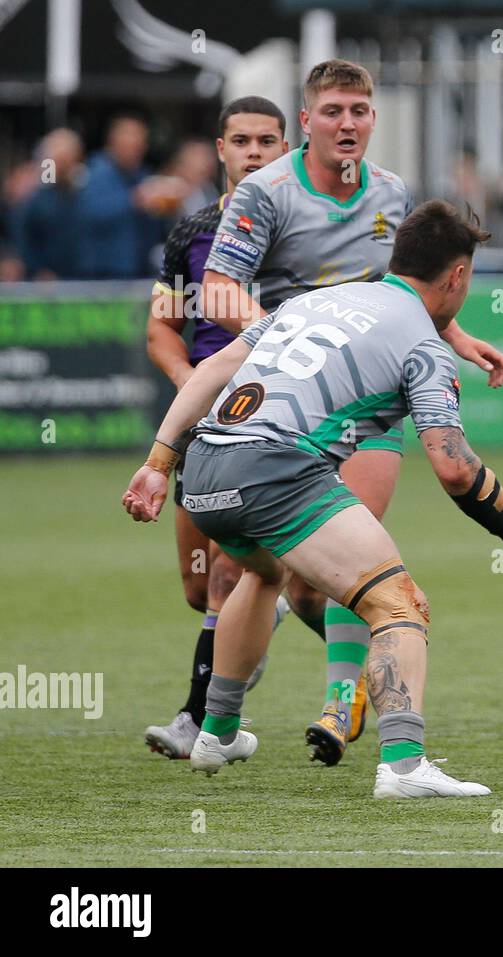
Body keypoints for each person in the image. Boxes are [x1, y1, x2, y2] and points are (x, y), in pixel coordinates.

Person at [123, 199, 503, 798]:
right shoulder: (423, 343)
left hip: (206, 465)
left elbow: (211, 367)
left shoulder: (309, 302)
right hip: (274, 468)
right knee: (400, 605)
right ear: (457, 277)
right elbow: (454, 468)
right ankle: (404, 767)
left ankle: (217, 731)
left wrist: (158, 463)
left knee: (263, 569)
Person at [200, 59, 503, 765]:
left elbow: (406, 292)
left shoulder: (393, 193)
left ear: (374, 118)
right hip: (281, 396)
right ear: (305, 122)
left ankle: (341, 701)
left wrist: (457, 339)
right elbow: (218, 291)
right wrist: (278, 338)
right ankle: (213, 717)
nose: (348, 123)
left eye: (360, 111)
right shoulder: (266, 192)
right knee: (252, 573)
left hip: (362, 403)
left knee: (355, 549)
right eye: (333, 111)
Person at [142, 96, 293, 759]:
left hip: (276, 419)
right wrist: (187, 384)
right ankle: (271, 607)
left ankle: (199, 718)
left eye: (267, 140)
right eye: (242, 141)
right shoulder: (190, 233)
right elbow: (161, 329)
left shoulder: (303, 234)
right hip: (200, 419)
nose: (254, 152)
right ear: (221, 149)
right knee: (199, 584)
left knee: (232, 575)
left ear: (287, 149)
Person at [77, 114, 170, 278]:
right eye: (130, 142)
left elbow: (153, 227)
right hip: (101, 272)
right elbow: (88, 213)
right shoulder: (96, 171)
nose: (136, 149)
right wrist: (133, 200)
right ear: (113, 142)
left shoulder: (142, 175)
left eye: (140, 143)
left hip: (137, 269)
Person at [14, 129, 84, 280]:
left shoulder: (85, 194)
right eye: (59, 158)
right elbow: (24, 239)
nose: (63, 163)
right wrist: (38, 269)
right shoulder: (37, 199)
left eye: (67, 157)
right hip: (46, 280)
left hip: (83, 277)